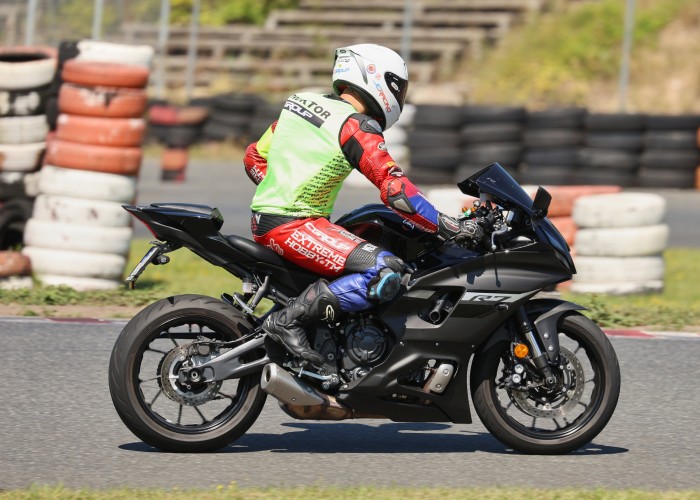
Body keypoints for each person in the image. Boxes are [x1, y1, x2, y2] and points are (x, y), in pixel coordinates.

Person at [244, 44, 484, 367]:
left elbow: (254, 157)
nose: (399, 98)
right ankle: (288, 321)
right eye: (398, 88)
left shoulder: (300, 104)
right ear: (376, 78)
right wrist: (448, 225)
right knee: (385, 271)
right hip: (295, 225)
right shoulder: (356, 126)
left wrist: (281, 188)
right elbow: (396, 190)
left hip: (269, 219)